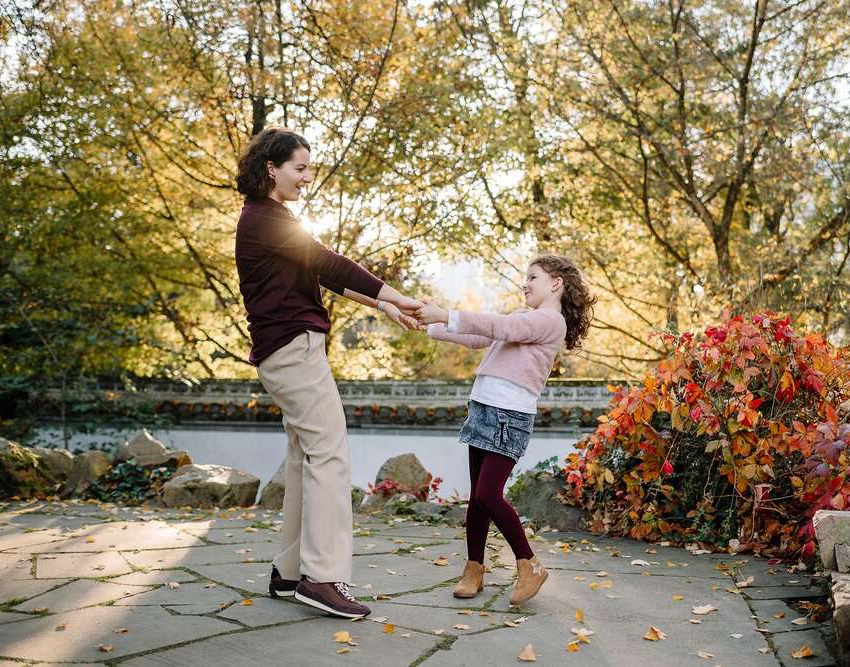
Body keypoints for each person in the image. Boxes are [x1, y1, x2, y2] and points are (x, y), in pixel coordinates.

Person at [234, 127, 421, 619]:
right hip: (294, 350)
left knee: (303, 457)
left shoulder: (268, 219)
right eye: (299, 168)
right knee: (330, 455)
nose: (306, 177)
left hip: (287, 350)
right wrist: (393, 294)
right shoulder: (263, 218)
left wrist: (383, 306)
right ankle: (321, 578)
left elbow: (319, 274)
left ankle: (291, 570)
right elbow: (326, 261)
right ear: (271, 168)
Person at [414, 255, 596, 605]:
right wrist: (428, 326)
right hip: (483, 407)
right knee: (477, 500)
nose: (524, 284)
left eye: (532, 277)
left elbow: (502, 328)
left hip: (508, 416)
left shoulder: (549, 321)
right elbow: (478, 337)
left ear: (556, 283)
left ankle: (529, 563)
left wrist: (444, 313)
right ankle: (474, 568)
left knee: (488, 495)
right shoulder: (523, 317)